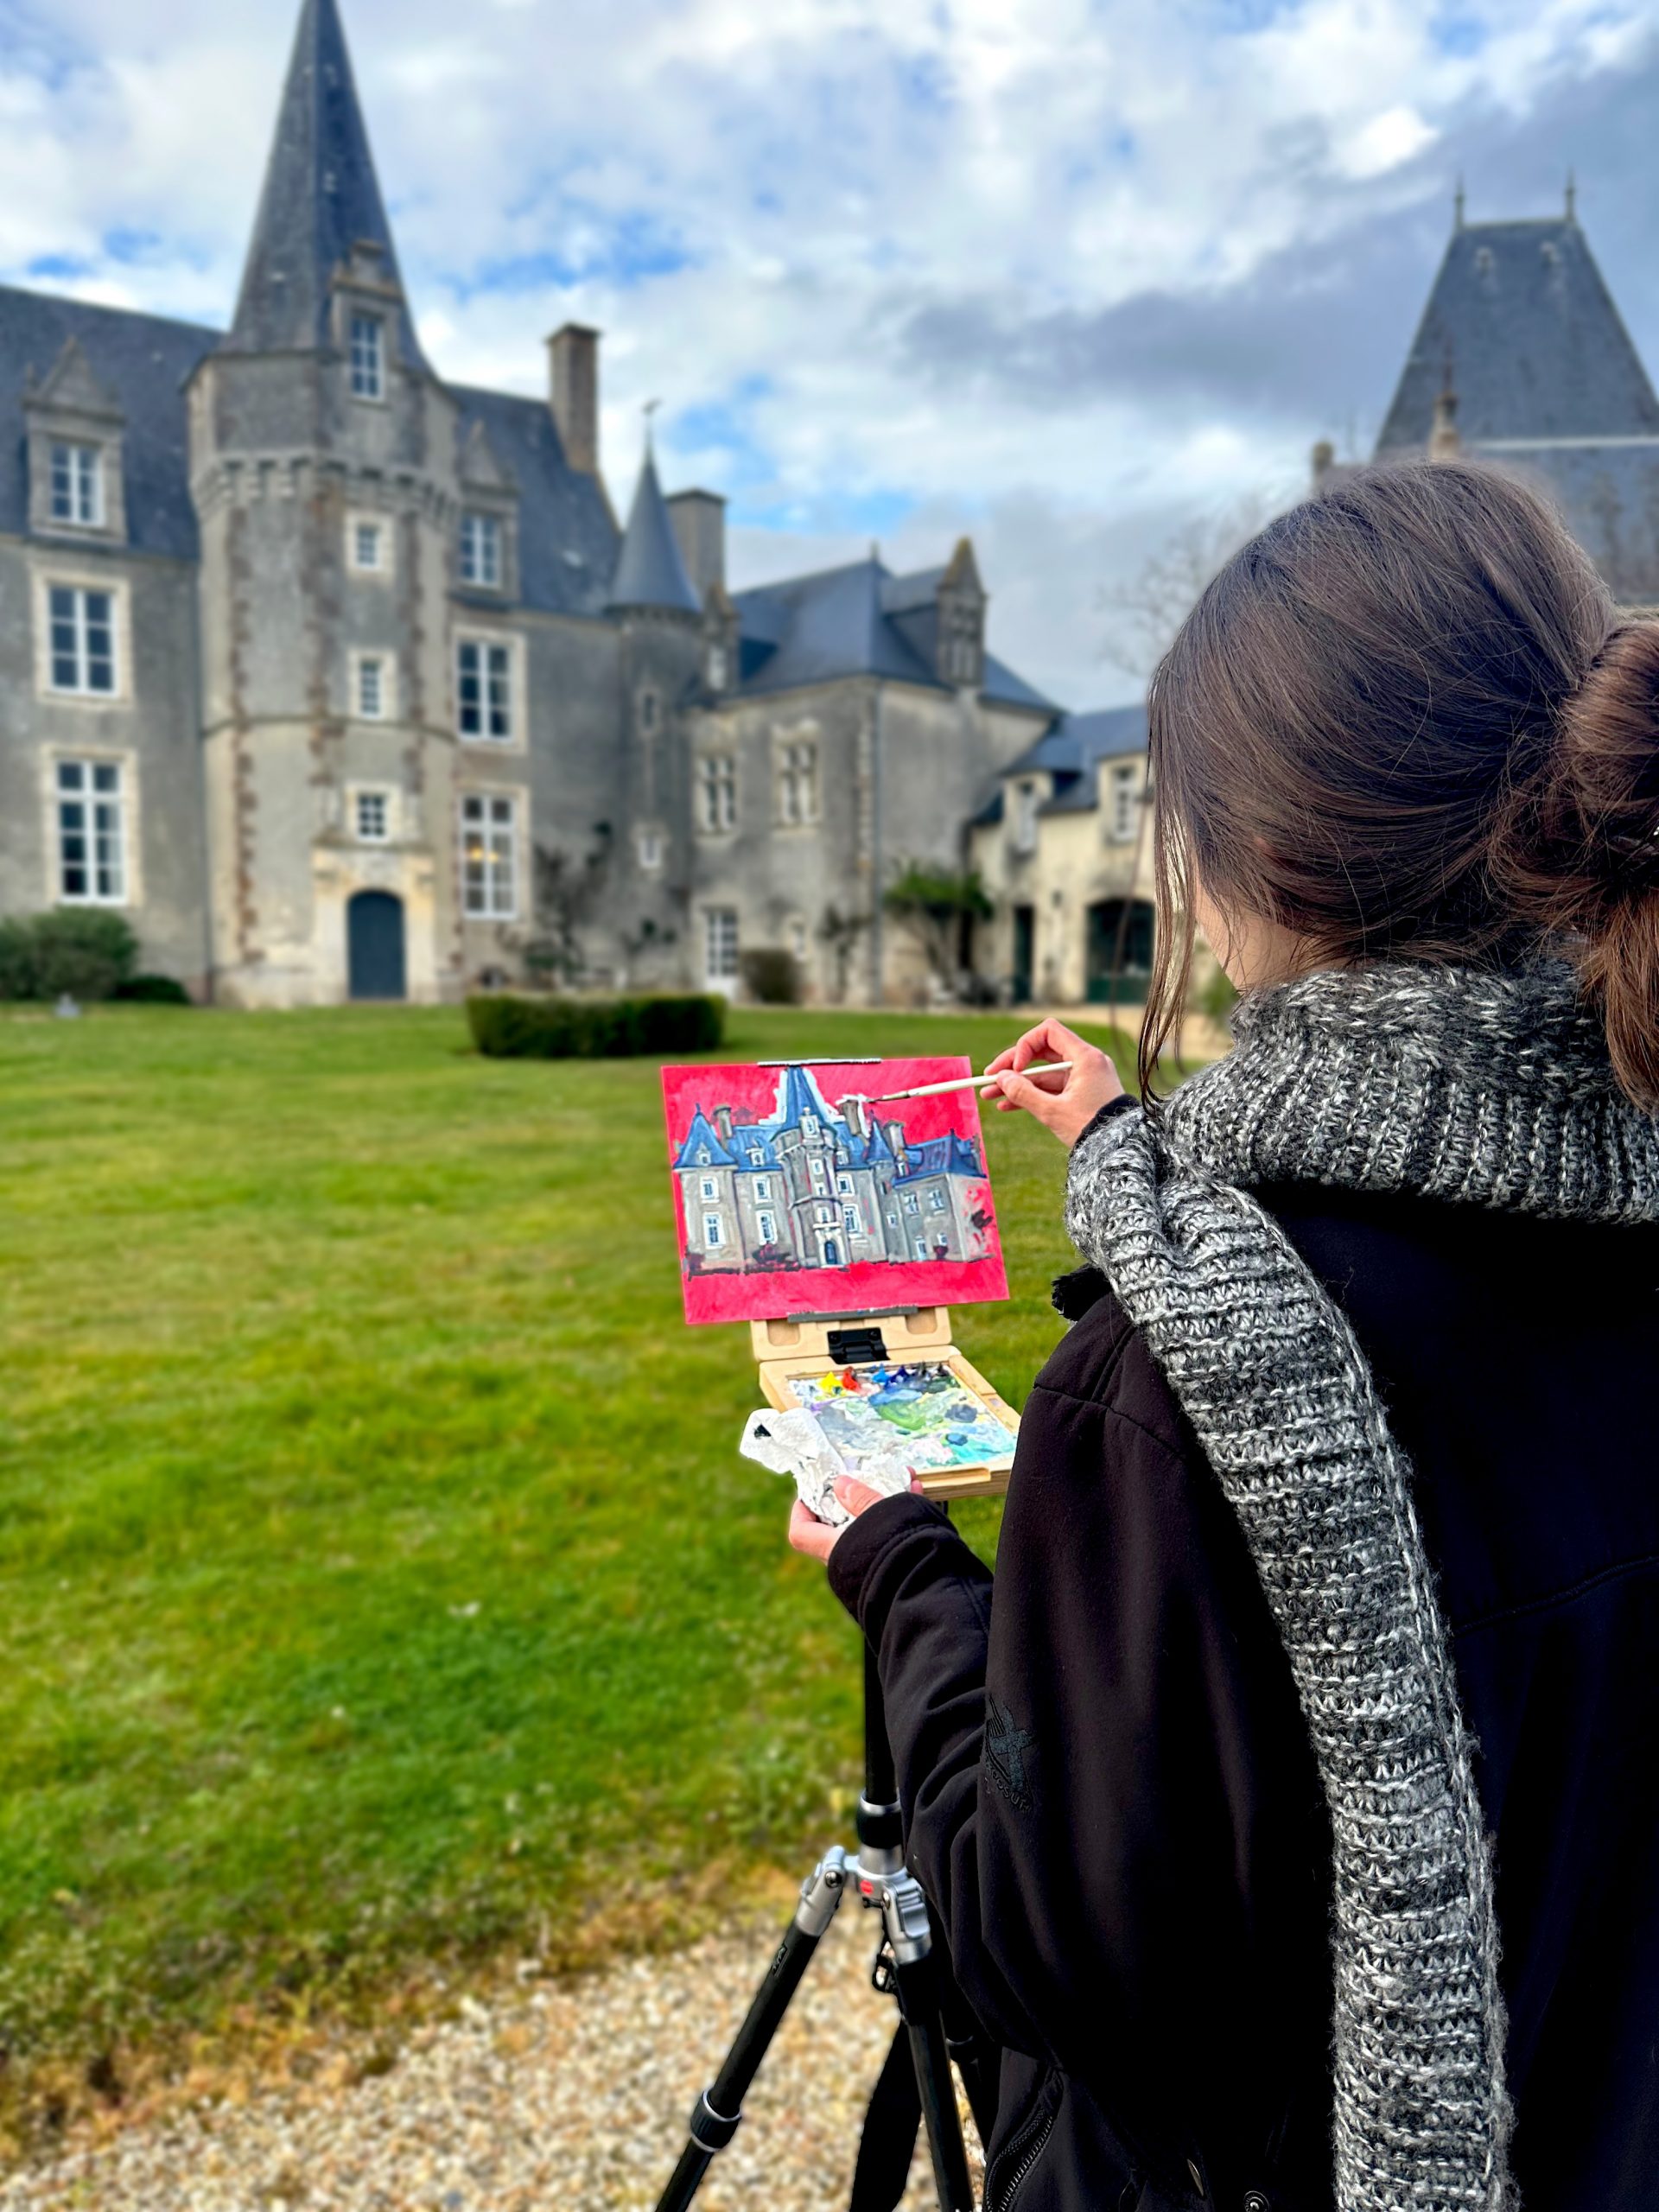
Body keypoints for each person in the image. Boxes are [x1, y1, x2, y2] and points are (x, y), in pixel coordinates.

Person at [789, 461, 1659, 2212]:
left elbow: (1045, 1945)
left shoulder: (1171, 1392)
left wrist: (896, 1565)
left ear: (1253, 860)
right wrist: (1122, 1134)